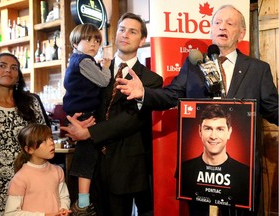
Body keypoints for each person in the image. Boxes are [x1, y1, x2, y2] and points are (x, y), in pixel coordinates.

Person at [116, 4, 278, 216]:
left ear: (242, 32)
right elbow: (171, 95)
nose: (223, 27)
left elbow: (273, 108)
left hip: (241, 175)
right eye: (218, 23)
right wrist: (144, 93)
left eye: (230, 23)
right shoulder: (194, 65)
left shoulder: (258, 69)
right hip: (202, 174)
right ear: (211, 30)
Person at [61, 12, 163, 216]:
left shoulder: (151, 80)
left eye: (132, 31)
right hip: (91, 165)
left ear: (142, 40)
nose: (125, 35)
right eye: (121, 30)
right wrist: (75, 123)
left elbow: (131, 119)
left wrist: (89, 133)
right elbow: (76, 97)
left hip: (126, 167)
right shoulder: (94, 68)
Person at [0, 53, 49, 216]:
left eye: (13, 67)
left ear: (18, 77)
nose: (8, 70)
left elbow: (44, 137)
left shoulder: (32, 102)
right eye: (2, 66)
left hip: (33, 178)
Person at [62, 23, 111, 215]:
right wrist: (105, 66)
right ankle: (83, 204)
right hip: (84, 115)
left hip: (79, 114)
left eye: (97, 40)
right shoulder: (84, 61)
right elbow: (103, 81)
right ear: (75, 43)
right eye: (88, 39)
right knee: (87, 159)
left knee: (87, 158)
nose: (93, 44)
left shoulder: (76, 61)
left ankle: (83, 201)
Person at [180, 104, 249, 208]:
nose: (213, 136)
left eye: (220, 129)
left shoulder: (246, 174)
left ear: (229, 132)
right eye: (208, 129)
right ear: (200, 131)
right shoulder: (184, 170)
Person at [4, 123, 71, 215]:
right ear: (29, 149)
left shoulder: (57, 171)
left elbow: (64, 196)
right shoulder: (21, 178)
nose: (51, 142)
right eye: (43, 140)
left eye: (51, 138)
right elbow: (10, 213)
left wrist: (64, 208)